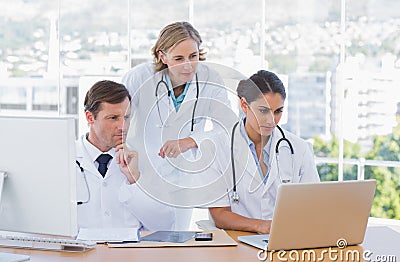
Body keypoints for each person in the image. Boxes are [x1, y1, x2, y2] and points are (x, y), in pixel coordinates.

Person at [122, 22, 234, 229]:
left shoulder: (211, 79)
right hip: (143, 174)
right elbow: (119, 118)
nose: (188, 65)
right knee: (138, 245)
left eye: (193, 56)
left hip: (183, 179)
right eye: (179, 58)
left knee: (176, 244)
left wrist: (191, 141)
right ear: (162, 56)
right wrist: (122, 149)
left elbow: (229, 128)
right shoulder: (139, 78)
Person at [208, 70, 320, 234]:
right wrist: (261, 225)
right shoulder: (218, 147)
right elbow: (219, 214)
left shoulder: (298, 148)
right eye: (263, 111)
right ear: (244, 105)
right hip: (236, 243)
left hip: (286, 241)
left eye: (278, 111)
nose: (271, 120)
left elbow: (314, 204)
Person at [76, 80, 175, 230]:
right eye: (113, 118)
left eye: (127, 117)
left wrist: (134, 179)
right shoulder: (64, 160)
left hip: (129, 252)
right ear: (90, 117)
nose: (123, 126)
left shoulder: (144, 159)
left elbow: (165, 225)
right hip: (81, 252)